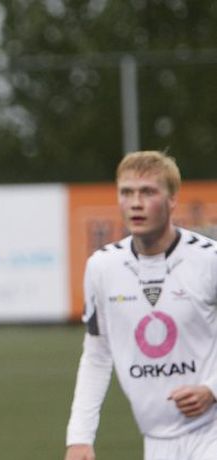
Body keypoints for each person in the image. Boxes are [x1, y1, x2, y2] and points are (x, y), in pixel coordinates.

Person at [65, 150, 217, 460]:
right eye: (127, 192)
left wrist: (213, 390)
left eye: (148, 192)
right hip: (156, 441)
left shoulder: (209, 260)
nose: (136, 202)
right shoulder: (102, 267)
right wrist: (79, 437)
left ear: (172, 199)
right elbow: (97, 355)